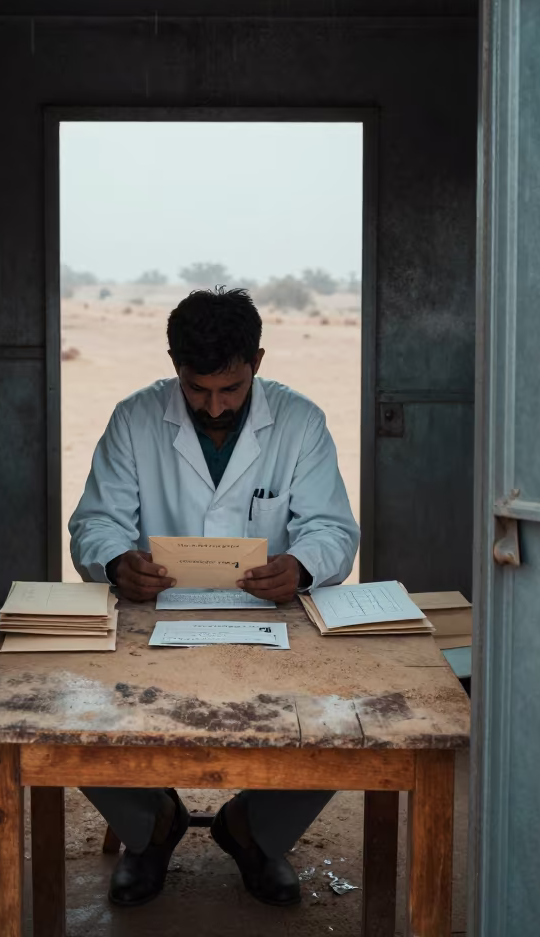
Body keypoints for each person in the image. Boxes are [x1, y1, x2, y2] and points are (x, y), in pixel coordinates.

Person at [69, 288, 360, 907]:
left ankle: (254, 831)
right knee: (69, 718)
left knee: (344, 724)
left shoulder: (300, 420)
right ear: (175, 363)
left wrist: (302, 567)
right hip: (150, 618)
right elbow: (93, 522)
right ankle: (150, 827)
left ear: (258, 358)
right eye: (197, 390)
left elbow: (333, 529)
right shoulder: (135, 417)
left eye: (230, 389)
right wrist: (119, 563)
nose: (215, 406)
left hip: (275, 620)